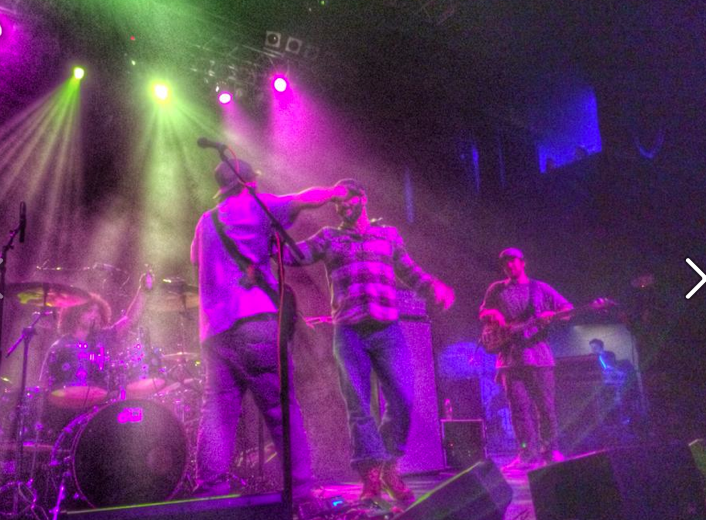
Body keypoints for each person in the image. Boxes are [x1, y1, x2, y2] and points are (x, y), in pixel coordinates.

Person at [284, 178, 455, 507]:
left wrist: (433, 286)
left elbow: (409, 270)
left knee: (403, 397)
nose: (341, 206)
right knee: (358, 406)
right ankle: (371, 477)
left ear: (362, 198)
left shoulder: (387, 235)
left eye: (345, 199)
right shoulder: (329, 237)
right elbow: (296, 255)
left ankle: (389, 465)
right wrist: (272, 232)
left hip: (387, 328)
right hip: (349, 331)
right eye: (336, 202)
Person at [190, 157, 349, 498]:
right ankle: (301, 492)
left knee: (217, 414)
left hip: (215, 332)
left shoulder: (205, 222)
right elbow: (304, 199)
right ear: (248, 182)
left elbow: (196, 262)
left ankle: (210, 494)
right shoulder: (256, 205)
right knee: (280, 408)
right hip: (256, 323)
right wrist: (334, 192)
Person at [479, 248, 572, 471]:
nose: (509, 266)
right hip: (509, 358)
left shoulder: (540, 288)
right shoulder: (496, 289)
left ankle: (550, 451)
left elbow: (567, 309)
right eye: (505, 263)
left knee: (545, 407)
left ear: (523, 263)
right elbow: (483, 313)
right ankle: (526, 454)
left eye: (513, 261)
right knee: (518, 409)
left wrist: (552, 317)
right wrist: (494, 315)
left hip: (539, 357)